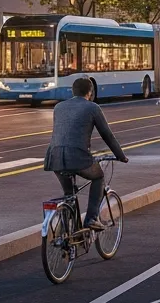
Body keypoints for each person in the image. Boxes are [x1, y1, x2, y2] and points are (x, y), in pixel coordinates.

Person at [44, 75, 128, 230]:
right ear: (90, 93)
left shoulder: (59, 107)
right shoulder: (93, 107)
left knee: (69, 194)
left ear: (72, 91)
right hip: (77, 156)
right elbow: (107, 135)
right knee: (98, 176)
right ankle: (91, 218)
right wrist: (120, 156)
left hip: (54, 158)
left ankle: (67, 232)